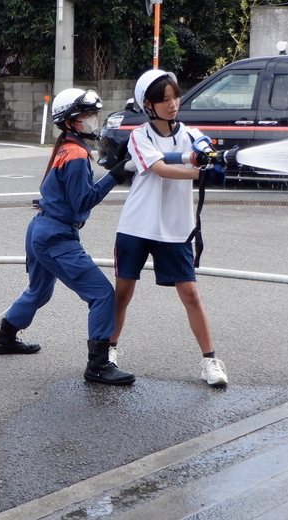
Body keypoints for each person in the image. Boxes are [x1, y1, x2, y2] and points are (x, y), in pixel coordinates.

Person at [0, 87, 136, 386]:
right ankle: (98, 365)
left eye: (94, 115)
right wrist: (116, 175)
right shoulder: (75, 155)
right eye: (88, 116)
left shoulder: (66, 147)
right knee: (101, 295)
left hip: (40, 229)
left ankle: (5, 338)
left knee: (39, 291)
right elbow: (82, 202)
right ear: (71, 122)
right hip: (56, 236)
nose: (93, 121)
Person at [110, 69, 228, 387]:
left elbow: (205, 150)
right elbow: (161, 168)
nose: (173, 104)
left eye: (175, 96)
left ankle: (210, 361)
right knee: (122, 294)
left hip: (176, 228)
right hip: (137, 225)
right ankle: (108, 352)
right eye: (164, 100)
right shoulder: (140, 136)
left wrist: (216, 160)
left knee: (190, 293)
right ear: (148, 105)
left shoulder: (191, 133)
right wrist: (201, 173)